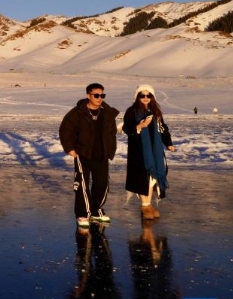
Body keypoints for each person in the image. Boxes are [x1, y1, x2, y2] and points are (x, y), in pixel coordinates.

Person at [59, 83, 119, 228]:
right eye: (96, 95)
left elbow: (112, 132)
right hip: (83, 154)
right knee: (82, 185)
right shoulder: (77, 113)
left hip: (102, 154)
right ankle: (82, 213)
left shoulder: (107, 112)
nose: (100, 98)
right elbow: (65, 130)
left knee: (102, 184)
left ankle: (95, 211)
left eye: (102, 95)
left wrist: (110, 147)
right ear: (88, 95)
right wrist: (70, 149)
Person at [122, 84, 175, 220]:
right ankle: (145, 205)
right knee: (142, 178)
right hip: (139, 151)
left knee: (152, 179)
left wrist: (168, 143)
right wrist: (139, 126)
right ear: (137, 97)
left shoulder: (155, 112)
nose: (145, 98)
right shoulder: (132, 111)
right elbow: (127, 128)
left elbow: (163, 128)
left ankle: (148, 204)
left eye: (148, 95)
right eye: (142, 95)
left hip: (154, 150)